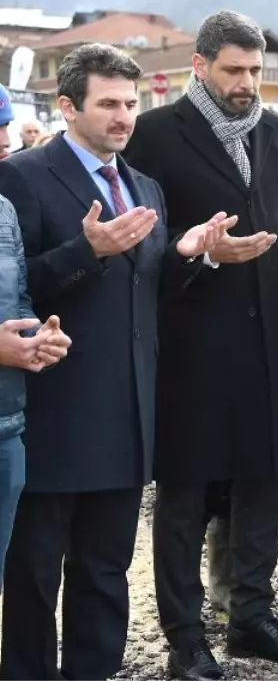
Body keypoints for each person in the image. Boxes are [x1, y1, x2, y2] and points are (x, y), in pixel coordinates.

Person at [0, 44, 229, 681]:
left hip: (128, 415)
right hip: (54, 411)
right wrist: (86, 250)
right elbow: (16, 289)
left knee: (105, 573)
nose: (125, 116)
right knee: (35, 576)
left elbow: (144, 295)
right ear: (69, 106)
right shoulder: (22, 176)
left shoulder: (143, 184)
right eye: (109, 104)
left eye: (132, 103)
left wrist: (190, 255)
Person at [123, 10, 278, 679]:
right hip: (191, 345)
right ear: (200, 65)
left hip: (270, 340)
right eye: (235, 70)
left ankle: (251, 616)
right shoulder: (153, 136)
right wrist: (206, 255)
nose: (249, 83)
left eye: (256, 71)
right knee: (185, 496)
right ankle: (185, 636)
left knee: (262, 485)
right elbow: (141, 246)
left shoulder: (277, 132)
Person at [0, 85, 72, 589]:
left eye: (4, 124)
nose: (4, 139)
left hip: (7, 423)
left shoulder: (4, 209)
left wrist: (39, 337)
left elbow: (19, 296)